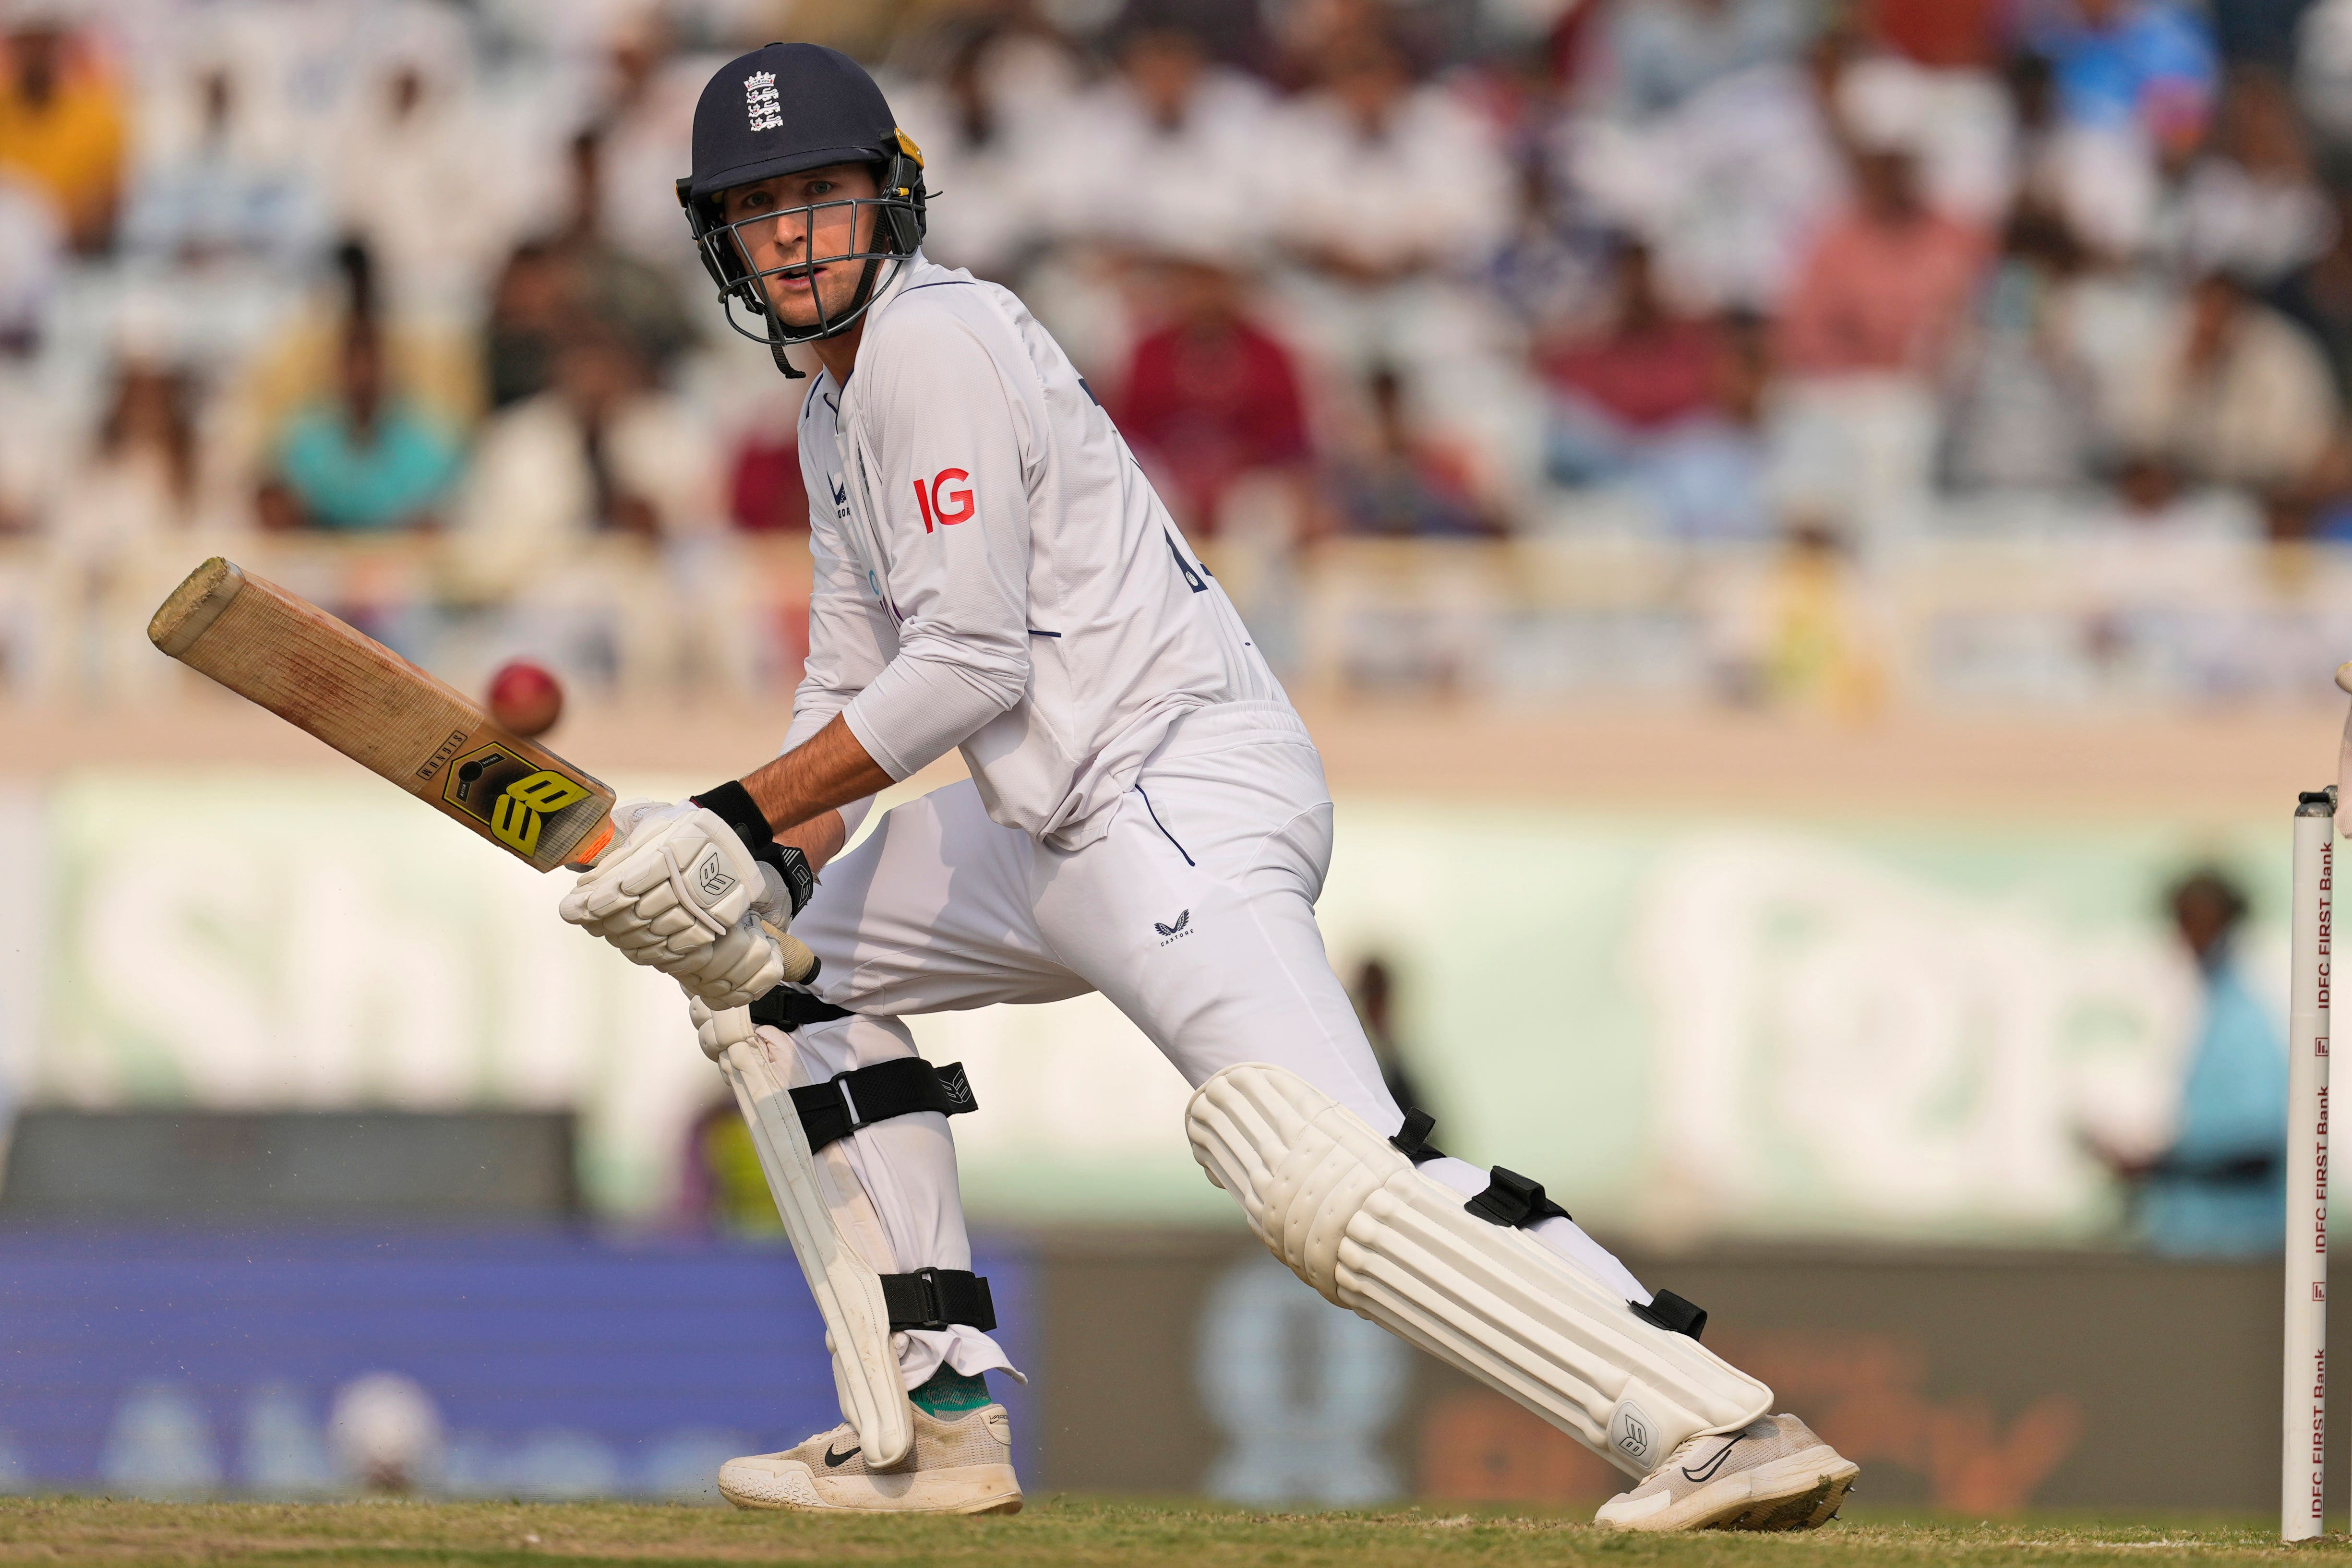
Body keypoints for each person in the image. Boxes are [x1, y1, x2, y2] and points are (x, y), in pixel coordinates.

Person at [557, 42, 1858, 1530]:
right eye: (758, 206)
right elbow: (850, 695)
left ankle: (1717, 1425)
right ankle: (933, 1419)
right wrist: (761, 870)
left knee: (1327, 1176)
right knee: (779, 975)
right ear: (718, 239)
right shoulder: (832, 413)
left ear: (889, 200)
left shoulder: (936, 342)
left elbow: (970, 663)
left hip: (1171, 788)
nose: (792, 231)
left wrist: (723, 817)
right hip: (1043, 820)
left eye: (821, 193)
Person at [2090, 869, 2285, 1256]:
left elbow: (2261, 1151)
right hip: (2199, 1244)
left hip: (2236, 1247)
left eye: (2196, 923)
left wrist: (2158, 1167)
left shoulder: (2244, 1022)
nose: (2185, 938)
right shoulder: (2212, 1013)